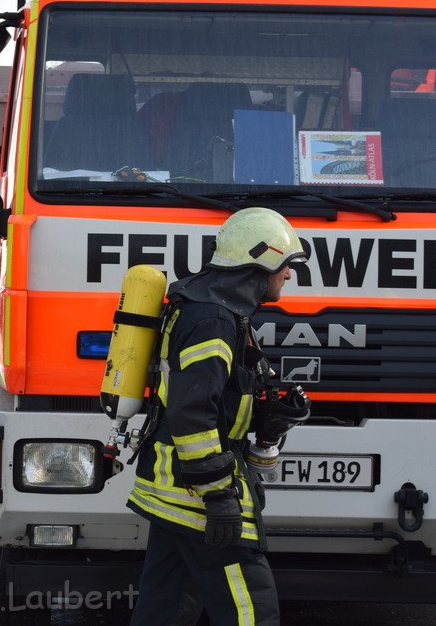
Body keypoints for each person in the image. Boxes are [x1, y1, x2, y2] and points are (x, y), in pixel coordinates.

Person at [127, 207, 310, 626]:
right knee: (251, 609)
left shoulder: (215, 308)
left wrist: (265, 412)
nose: (288, 275)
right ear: (262, 261)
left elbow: (213, 395)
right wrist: (220, 496)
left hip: (173, 491)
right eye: (286, 265)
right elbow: (192, 414)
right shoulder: (212, 319)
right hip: (198, 497)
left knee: (166, 607)